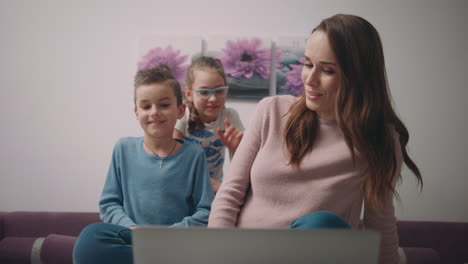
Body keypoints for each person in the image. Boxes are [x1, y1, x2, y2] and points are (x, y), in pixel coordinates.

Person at [208, 14, 422, 264]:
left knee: (322, 223)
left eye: (327, 70)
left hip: (316, 255)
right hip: (247, 254)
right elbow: (230, 192)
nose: (309, 79)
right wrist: (217, 253)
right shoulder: (271, 111)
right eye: (307, 64)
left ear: (359, 77)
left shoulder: (379, 140)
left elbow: (380, 225)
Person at [73, 66, 214, 264]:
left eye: (164, 105)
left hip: (173, 243)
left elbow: (205, 211)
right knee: (91, 237)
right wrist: (133, 230)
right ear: (136, 112)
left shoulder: (194, 155)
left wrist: (168, 235)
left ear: (180, 110)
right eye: (146, 106)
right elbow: (109, 204)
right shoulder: (123, 148)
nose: (154, 112)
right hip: (131, 239)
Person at [174, 56, 244, 193]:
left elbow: (242, 164)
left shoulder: (229, 116)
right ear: (189, 94)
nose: (212, 99)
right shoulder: (183, 116)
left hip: (214, 190)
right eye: (204, 92)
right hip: (184, 188)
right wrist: (214, 185)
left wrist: (236, 149)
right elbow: (175, 160)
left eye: (219, 91)